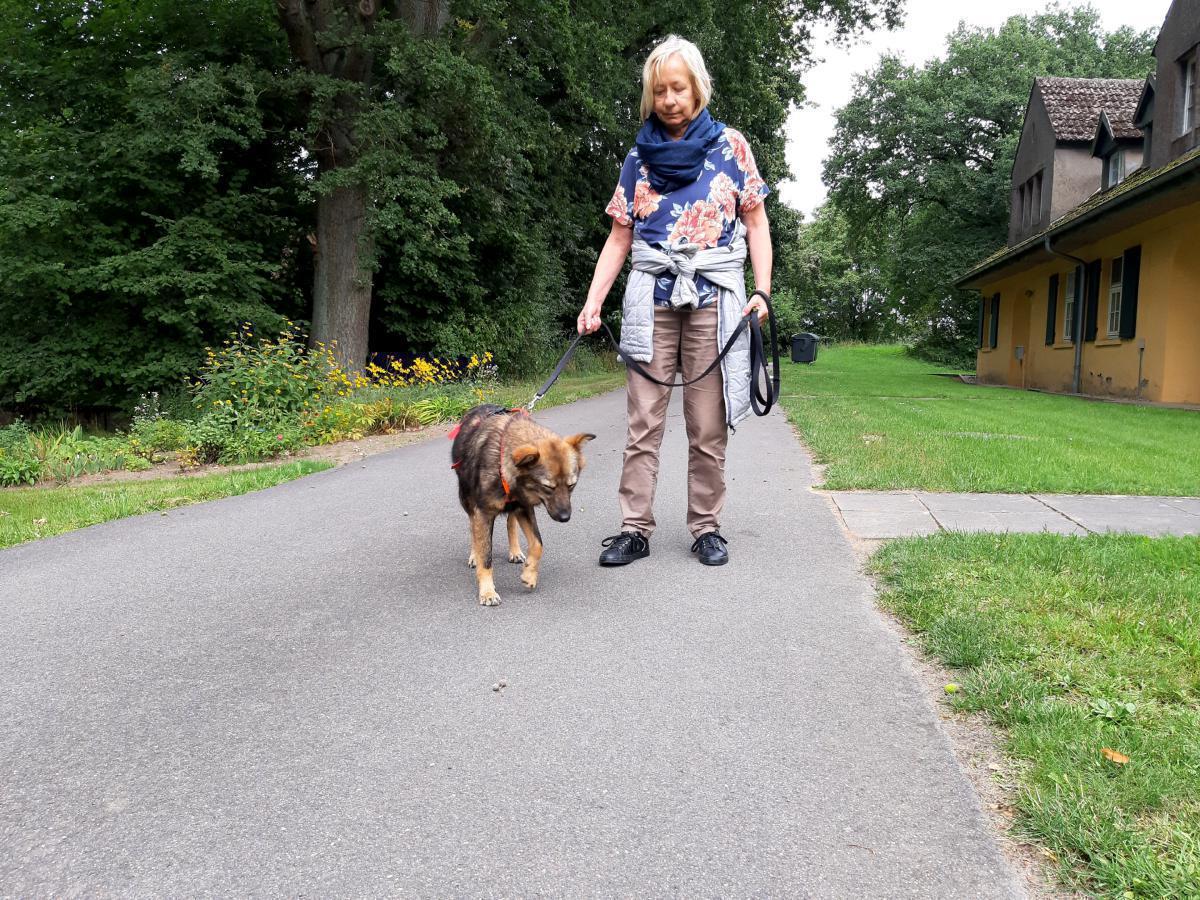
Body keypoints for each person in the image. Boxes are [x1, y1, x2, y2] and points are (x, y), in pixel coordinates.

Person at [577, 34, 773, 568]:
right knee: (643, 423)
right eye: (659, 90)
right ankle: (634, 529)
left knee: (707, 426)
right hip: (653, 302)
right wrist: (593, 302)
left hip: (714, 302)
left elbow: (756, 223)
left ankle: (706, 527)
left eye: (678, 88)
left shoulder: (731, 147)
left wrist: (761, 290)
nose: (668, 100)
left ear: (698, 88)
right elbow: (619, 237)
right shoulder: (637, 156)